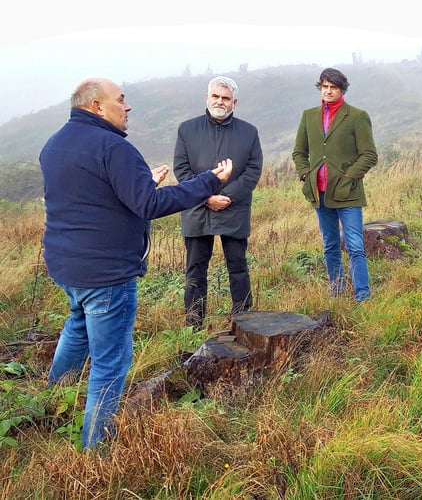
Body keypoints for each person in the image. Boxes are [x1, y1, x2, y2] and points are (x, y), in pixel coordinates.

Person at [42, 78, 233, 450]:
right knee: (110, 364)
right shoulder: (114, 147)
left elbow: (94, 196)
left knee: (78, 325)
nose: (127, 106)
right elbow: (149, 205)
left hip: (67, 265)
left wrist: (142, 181)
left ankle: (52, 402)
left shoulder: (55, 144)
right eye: (121, 99)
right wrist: (208, 181)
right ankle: (96, 450)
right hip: (106, 272)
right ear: (97, 106)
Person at [174, 76, 263, 328]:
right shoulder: (187, 129)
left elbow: (253, 170)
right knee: (195, 269)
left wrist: (228, 197)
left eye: (225, 98)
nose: (219, 102)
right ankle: (194, 325)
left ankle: (243, 322)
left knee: (238, 267)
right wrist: (205, 196)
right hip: (197, 210)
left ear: (234, 102)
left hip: (234, 209)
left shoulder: (249, 132)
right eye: (215, 96)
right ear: (207, 98)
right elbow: (181, 168)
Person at [292, 68, 378, 301]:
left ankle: (362, 296)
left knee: (355, 246)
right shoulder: (309, 116)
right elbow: (299, 152)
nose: (328, 91)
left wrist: (349, 177)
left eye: (333, 87)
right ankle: (337, 291)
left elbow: (369, 155)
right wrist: (305, 174)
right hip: (319, 193)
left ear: (342, 90)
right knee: (330, 245)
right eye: (325, 87)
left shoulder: (357, 116)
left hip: (348, 194)